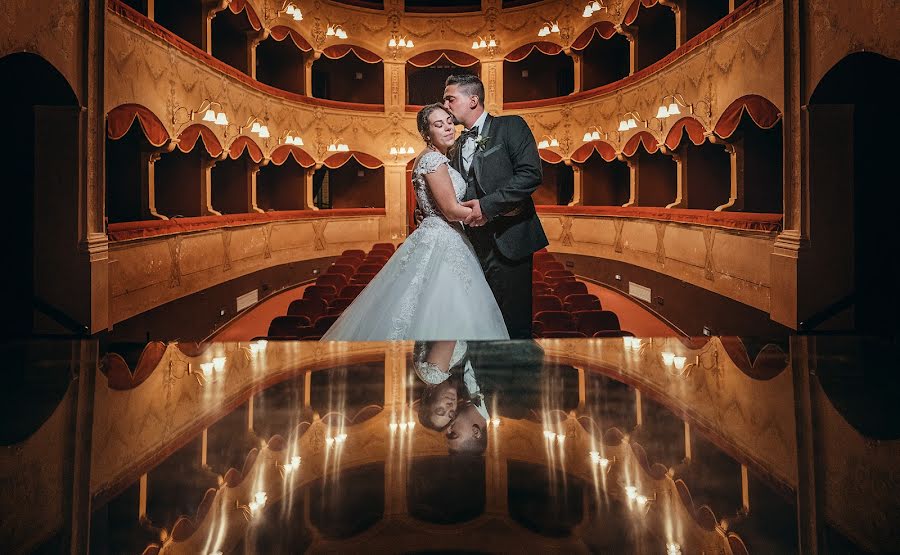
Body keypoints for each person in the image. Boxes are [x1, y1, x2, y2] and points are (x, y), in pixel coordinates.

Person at [320, 104, 509, 341]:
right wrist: (486, 213)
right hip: (444, 237)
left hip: (438, 234)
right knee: (445, 308)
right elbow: (450, 211)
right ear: (426, 133)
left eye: (449, 122)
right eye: (438, 125)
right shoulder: (433, 160)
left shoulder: (435, 158)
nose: (448, 127)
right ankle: (439, 367)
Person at [440, 74, 549, 339]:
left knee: (512, 326)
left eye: (450, 99)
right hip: (470, 247)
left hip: (509, 240)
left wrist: (487, 206)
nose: (445, 105)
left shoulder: (511, 126)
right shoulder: (454, 146)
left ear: (473, 100)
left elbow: (530, 174)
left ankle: (514, 381)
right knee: (478, 323)